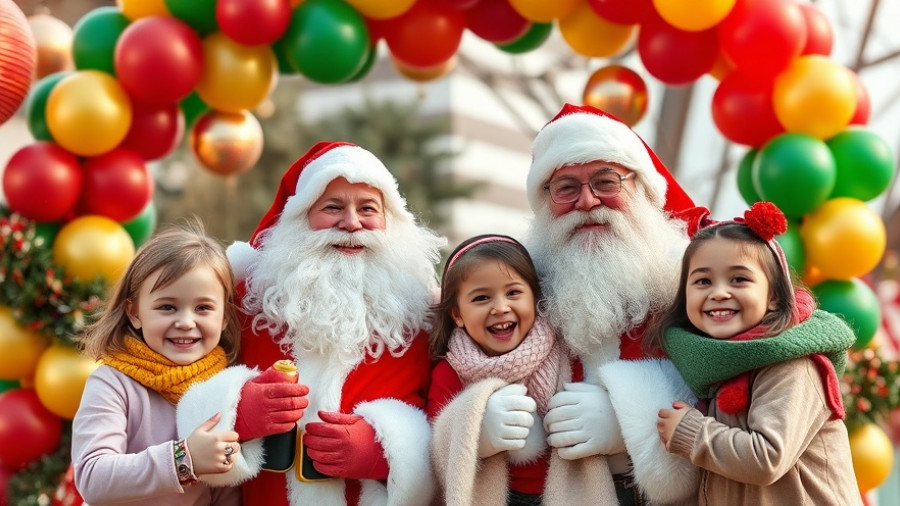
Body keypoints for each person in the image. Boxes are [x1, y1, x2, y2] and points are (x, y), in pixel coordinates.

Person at [176, 141, 446, 506]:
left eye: (368, 208)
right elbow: (177, 384)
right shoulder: (243, 299)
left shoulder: (426, 313)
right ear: (298, 218)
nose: (351, 223)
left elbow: (449, 426)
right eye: (332, 207)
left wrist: (387, 452)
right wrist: (237, 409)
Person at [522, 103, 703, 504]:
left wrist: (632, 421)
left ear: (641, 190)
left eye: (606, 182)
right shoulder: (520, 287)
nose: (587, 201)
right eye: (566, 187)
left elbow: (743, 385)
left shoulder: (693, 277)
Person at [650, 202, 862, 505]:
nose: (719, 292)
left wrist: (691, 431)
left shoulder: (792, 364)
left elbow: (766, 458)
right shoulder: (719, 364)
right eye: (703, 281)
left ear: (774, 297)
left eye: (738, 279)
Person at [72, 221, 242, 505]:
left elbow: (226, 488)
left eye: (203, 308)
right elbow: (92, 477)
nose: (186, 322)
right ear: (135, 312)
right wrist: (183, 459)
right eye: (167, 307)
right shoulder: (113, 383)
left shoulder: (226, 386)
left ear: (224, 316)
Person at [428, 234, 606, 505]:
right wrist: (473, 430)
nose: (500, 307)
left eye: (513, 293)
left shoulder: (565, 352)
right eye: (481, 298)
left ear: (534, 298)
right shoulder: (451, 371)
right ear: (457, 314)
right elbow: (436, 445)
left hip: (564, 493)